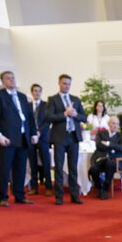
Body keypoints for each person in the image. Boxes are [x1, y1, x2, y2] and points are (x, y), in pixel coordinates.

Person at [0, 70, 38, 207]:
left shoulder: (23, 97)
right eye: (8, 78)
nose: (12, 80)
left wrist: (33, 134)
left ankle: (19, 195)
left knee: (21, 168)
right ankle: (2, 197)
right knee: (5, 169)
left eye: (13, 78)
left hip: (23, 137)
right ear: (3, 81)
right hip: (7, 138)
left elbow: (29, 118)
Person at [46, 73, 87, 205]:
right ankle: (59, 196)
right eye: (64, 83)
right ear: (59, 83)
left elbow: (84, 117)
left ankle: (74, 195)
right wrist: (64, 114)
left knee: (73, 168)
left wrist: (75, 115)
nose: (67, 86)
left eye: (69, 84)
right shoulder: (53, 99)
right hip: (59, 137)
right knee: (58, 167)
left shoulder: (75, 99)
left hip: (73, 136)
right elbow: (49, 117)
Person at [89, 116, 122, 200]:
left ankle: (106, 188)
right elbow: (98, 145)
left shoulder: (121, 136)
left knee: (110, 163)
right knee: (93, 169)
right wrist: (113, 147)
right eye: (113, 123)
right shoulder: (101, 133)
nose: (115, 126)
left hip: (114, 161)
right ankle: (99, 188)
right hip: (101, 159)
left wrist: (109, 144)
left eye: (117, 124)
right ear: (109, 124)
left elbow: (121, 149)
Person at [28, 83, 51, 196]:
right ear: (32, 92)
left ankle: (48, 187)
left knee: (46, 162)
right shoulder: (27, 105)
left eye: (39, 91)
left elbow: (48, 121)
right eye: (35, 91)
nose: (37, 93)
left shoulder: (46, 105)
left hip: (43, 137)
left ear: (41, 93)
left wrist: (39, 132)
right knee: (32, 163)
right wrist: (32, 133)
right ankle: (34, 187)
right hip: (31, 138)